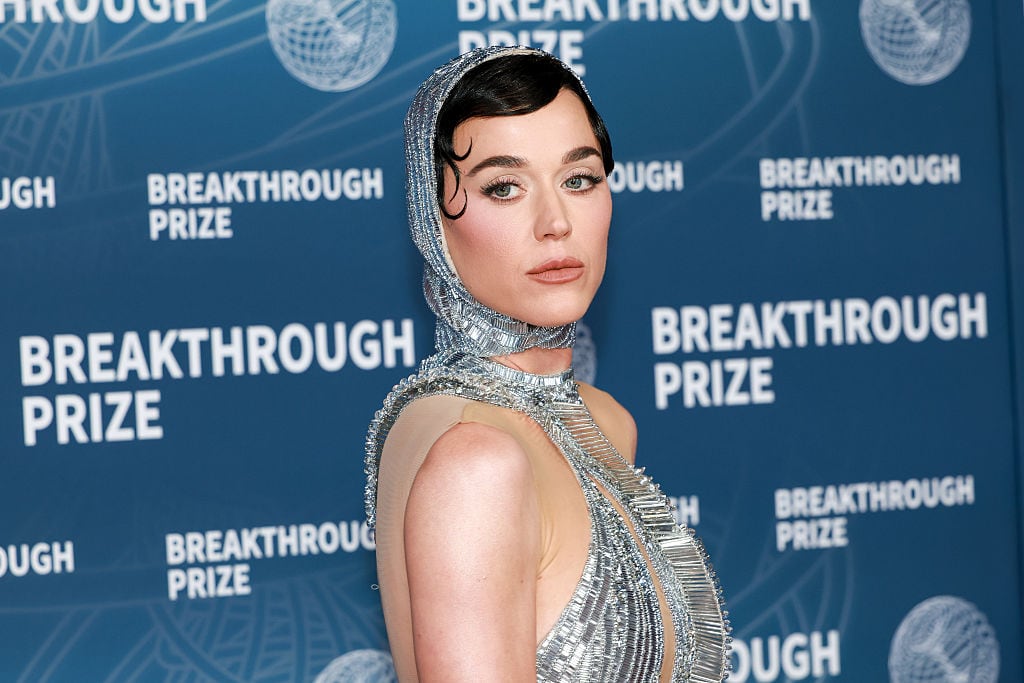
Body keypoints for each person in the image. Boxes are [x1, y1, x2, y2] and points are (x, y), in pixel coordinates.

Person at [365, 46, 730, 682]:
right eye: (503, 187)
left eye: (579, 179)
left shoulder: (601, 420)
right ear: (432, 218)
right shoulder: (474, 462)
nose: (555, 222)